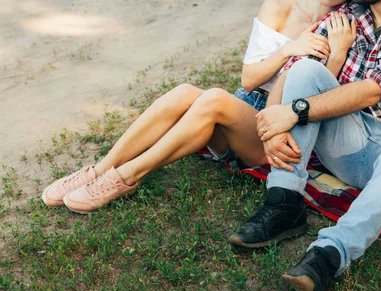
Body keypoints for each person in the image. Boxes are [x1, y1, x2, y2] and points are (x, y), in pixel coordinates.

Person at [230, 0, 381, 291]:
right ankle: (284, 202)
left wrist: (295, 112)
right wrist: (273, 127)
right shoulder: (343, 17)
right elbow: (291, 78)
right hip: (348, 141)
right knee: (307, 68)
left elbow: (375, 89)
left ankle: (327, 256)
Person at [41, 0, 352, 214]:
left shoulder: (344, 23)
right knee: (185, 92)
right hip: (245, 108)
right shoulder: (279, 5)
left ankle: (124, 177)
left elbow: (324, 96)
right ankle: (99, 170)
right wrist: (288, 49)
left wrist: (335, 56)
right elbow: (247, 80)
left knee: (214, 98)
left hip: (278, 131)